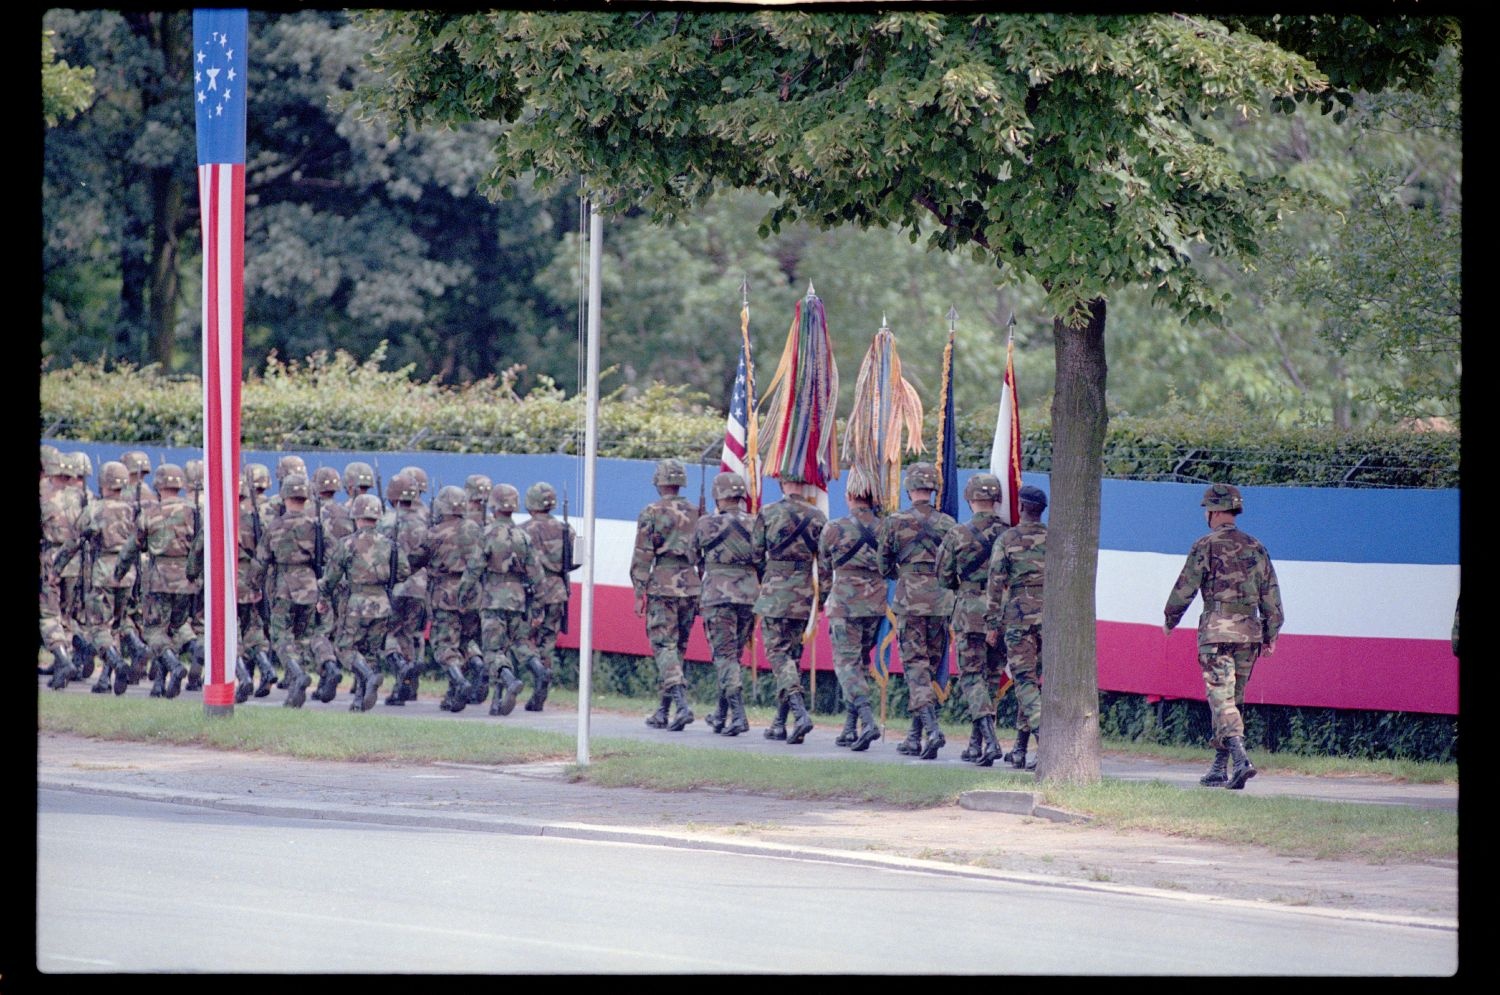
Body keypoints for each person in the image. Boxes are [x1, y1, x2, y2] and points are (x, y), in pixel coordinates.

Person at [1163, 483, 1283, 790]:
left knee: (1221, 698)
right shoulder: (1257, 547)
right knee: (1232, 699)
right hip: (1249, 633)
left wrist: (1170, 618)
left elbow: (1185, 587)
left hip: (1217, 630)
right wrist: (1271, 633)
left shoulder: (1206, 544)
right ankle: (1219, 768)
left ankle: (1241, 760)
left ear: (1214, 511)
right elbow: (1271, 595)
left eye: (1207, 509)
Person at [878, 462, 957, 760]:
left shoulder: (895, 521)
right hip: (940, 601)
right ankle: (914, 736)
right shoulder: (949, 524)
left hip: (910, 601)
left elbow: (884, 563)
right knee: (930, 664)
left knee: (915, 666)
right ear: (933, 489)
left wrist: (904, 575)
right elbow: (954, 565)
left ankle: (932, 730)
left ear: (910, 488)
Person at [938, 473, 1009, 766]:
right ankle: (975, 743)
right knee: (990, 679)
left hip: (969, 612)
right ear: (997, 500)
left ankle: (989, 742)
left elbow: (943, 575)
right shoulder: (1009, 533)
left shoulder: (957, 534)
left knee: (971, 677)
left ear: (969, 499)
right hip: (1002, 613)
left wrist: (965, 589)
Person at [114, 464, 201, 698]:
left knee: (154, 632)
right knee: (173, 629)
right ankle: (159, 683)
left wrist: (119, 572)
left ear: (159, 485)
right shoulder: (195, 512)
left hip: (158, 580)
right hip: (187, 581)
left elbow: (132, 547)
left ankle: (173, 666)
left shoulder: (151, 513)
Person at [752, 474, 825, 745]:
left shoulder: (768, 512)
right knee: (792, 656)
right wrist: (823, 596)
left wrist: (769, 579)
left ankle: (799, 712)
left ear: (782, 484)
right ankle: (780, 723)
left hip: (774, 593)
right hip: (803, 595)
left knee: (779, 655)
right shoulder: (817, 517)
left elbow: (756, 555)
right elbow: (825, 562)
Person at [53, 460, 138, 695]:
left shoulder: (95, 509)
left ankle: (117, 663)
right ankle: (105, 680)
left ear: (104, 483)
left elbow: (73, 542)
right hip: (128, 574)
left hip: (103, 572)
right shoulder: (133, 509)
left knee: (98, 628)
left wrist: (56, 569)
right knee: (117, 627)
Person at [815, 467, 885, 751]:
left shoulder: (834, 528)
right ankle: (849, 727)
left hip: (844, 603)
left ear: (849, 496)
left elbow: (822, 566)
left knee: (846, 665)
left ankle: (867, 721)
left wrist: (821, 601)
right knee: (860, 665)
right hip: (876, 604)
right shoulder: (885, 527)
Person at [319, 493, 409, 712]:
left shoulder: (347, 544)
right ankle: (360, 701)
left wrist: (323, 597)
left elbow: (331, 576)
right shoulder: (391, 545)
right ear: (377, 517)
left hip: (356, 603)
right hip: (382, 604)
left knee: (344, 647)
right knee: (370, 652)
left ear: (356, 516)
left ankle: (369, 677)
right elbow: (404, 571)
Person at [630, 458, 701, 732]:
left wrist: (639, 592)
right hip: (691, 585)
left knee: (664, 647)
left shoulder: (651, 511)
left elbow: (642, 554)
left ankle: (681, 706)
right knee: (677, 649)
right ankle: (663, 711)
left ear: (659, 482)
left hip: (662, 584)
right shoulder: (697, 511)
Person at [248, 472, 328, 707]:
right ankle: (297, 685)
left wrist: (254, 586)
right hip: (310, 586)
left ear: (284, 496)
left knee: (282, 637)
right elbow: (327, 557)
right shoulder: (315, 526)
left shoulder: (275, 526)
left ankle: (296, 673)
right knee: (303, 638)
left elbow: (261, 561)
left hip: (283, 586)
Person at [693, 471, 760, 737]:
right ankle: (721, 714)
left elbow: (693, 556)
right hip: (748, 596)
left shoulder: (705, 524)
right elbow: (762, 559)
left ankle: (739, 715)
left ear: (718, 497)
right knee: (733, 656)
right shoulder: (756, 522)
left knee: (724, 656)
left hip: (718, 596)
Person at [986, 484, 1048, 771]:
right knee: (1034, 682)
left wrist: (991, 623)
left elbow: (996, 582)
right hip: (1051, 618)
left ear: (1021, 507)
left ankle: (1045, 742)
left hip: (1019, 617)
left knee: (1024, 681)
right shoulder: (1054, 539)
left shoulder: (1007, 538)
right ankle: (1020, 750)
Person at [477, 484, 545, 716]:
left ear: (493, 505)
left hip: (493, 598)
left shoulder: (486, 534)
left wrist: (464, 593)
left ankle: (508, 678)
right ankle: (537, 669)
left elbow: (474, 568)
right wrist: (537, 606)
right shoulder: (523, 537)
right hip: (518, 599)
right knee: (519, 642)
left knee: (493, 650)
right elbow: (537, 575)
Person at [420, 485, 486, 712]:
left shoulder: (435, 533)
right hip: (473, 595)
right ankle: (476, 665)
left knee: (444, 645)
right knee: (467, 641)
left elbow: (417, 559)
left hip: (445, 595)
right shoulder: (475, 528)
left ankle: (459, 681)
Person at [519, 481, 577, 712]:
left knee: (522, 637)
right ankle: (540, 690)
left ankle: (535, 672)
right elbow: (575, 561)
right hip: (557, 591)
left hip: (532, 592)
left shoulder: (523, 529)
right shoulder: (566, 530)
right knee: (548, 642)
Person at [379, 473, 430, 705]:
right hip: (419, 588)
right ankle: (409, 688)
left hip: (394, 586)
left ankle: (400, 668)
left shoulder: (386, 521)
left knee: (387, 633)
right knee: (407, 635)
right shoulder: (424, 522)